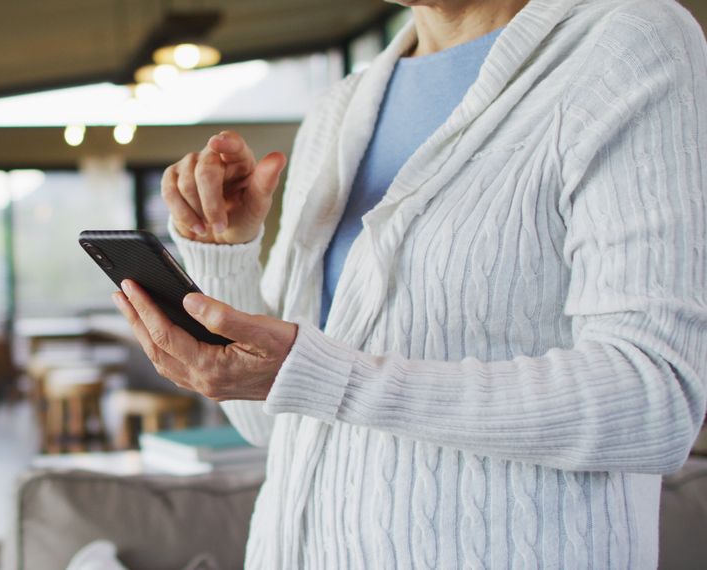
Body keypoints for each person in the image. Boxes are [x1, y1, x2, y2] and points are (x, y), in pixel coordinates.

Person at [111, 0, 707, 567]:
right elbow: (272, 421)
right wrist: (224, 253)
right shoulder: (338, 109)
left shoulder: (628, 43)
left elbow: (655, 400)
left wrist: (325, 375)